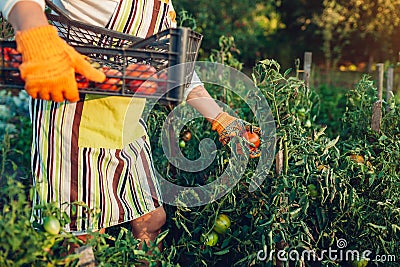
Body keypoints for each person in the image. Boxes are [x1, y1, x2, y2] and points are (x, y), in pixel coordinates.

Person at [1, 0, 261, 257]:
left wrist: (221, 118)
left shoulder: (159, 6)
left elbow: (178, 69)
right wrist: (35, 33)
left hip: (127, 122)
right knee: (82, 236)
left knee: (151, 221)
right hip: (72, 116)